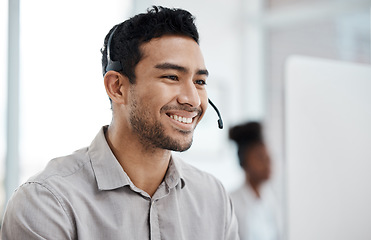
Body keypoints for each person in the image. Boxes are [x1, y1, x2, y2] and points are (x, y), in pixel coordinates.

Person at [1, 6, 239, 240]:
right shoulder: (47, 202)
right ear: (117, 87)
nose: (192, 99)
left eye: (199, 81)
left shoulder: (214, 199)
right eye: (171, 77)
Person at [229, 122, 281, 240]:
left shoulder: (271, 199)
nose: (268, 163)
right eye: (260, 157)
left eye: (268, 157)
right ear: (244, 162)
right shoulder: (232, 203)